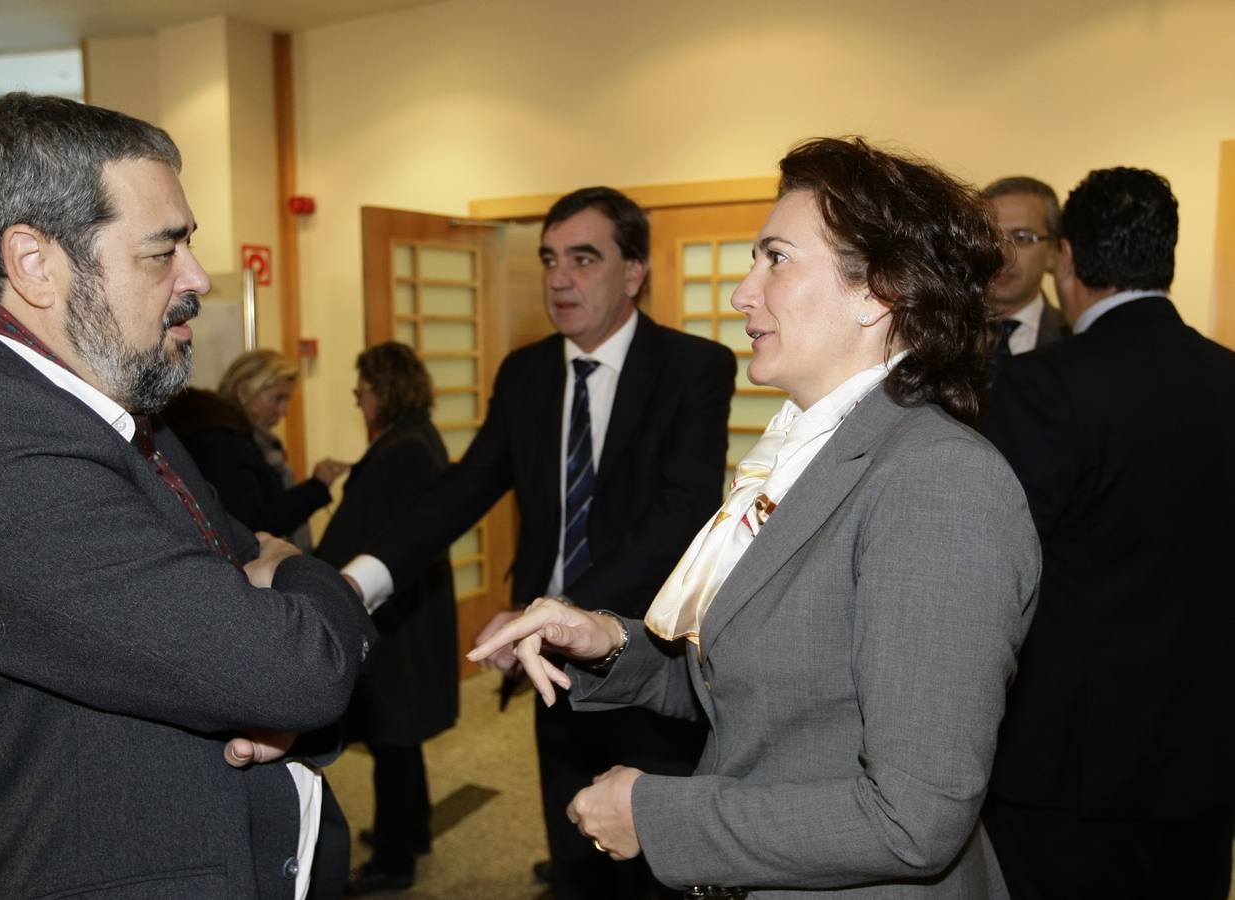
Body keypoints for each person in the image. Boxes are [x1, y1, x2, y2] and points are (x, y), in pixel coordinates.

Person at [471, 137, 1041, 898]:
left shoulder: (939, 482)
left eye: (776, 259)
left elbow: (915, 819)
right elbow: (753, 678)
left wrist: (658, 814)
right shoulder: (809, 455)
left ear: (877, 291)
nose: (744, 294)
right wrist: (608, 640)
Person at [0, 93, 375, 900]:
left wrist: (273, 590)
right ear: (35, 263)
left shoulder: (115, 407)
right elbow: (295, 667)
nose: (198, 278)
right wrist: (314, 581)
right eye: (162, 252)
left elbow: (251, 580)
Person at [343, 187, 736, 899]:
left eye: (584, 259)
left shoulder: (693, 368)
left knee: (655, 863)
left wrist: (560, 610)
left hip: (649, 658)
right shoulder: (525, 374)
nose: (559, 279)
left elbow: (682, 514)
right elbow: (459, 494)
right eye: (551, 259)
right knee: (572, 840)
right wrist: (358, 580)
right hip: (551, 667)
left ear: (634, 270)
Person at [980, 167, 1235, 900]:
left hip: (1066, 761)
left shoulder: (1044, 387)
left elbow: (1002, 566)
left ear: (1065, 260)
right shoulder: (1227, 381)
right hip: (1206, 755)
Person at [315, 342, 458, 894]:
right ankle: (411, 832)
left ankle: (395, 860)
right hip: (412, 609)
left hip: (396, 617)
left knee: (392, 736)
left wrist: (310, 575)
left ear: (384, 391)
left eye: (362, 391)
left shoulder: (401, 450)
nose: (359, 401)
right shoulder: (418, 436)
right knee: (403, 735)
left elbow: (357, 537)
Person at [164, 348, 341, 550]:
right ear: (243, 392)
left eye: (287, 400)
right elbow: (254, 524)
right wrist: (316, 487)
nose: (284, 412)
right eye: (278, 398)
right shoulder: (222, 442)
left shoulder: (241, 439)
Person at [981, 177, 1068, 385]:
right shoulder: (937, 338)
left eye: (1022, 238)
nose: (1003, 255)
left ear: (1053, 253)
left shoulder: (1076, 338)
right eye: (990, 237)